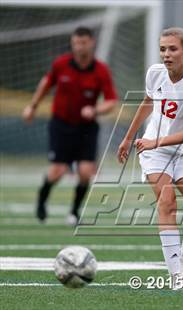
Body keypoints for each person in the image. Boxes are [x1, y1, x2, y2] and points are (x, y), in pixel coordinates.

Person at [117, 27, 183, 289]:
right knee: (167, 202)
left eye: (172, 49)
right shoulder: (155, 73)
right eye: (162, 49)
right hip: (155, 153)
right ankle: (176, 276)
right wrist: (129, 137)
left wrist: (153, 141)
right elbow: (148, 102)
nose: (166, 54)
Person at [22, 26, 118, 225]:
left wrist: (96, 110)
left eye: (83, 43)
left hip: (87, 128)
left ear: (91, 43)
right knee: (57, 171)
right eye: (75, 43)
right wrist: (32, 106)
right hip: (61, 125)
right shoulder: (61, 64)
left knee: (85, 172)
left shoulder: (101, 70)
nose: (79, 47)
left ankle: (74, 212)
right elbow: (46, 83)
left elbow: (111, 101)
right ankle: (42, 198)